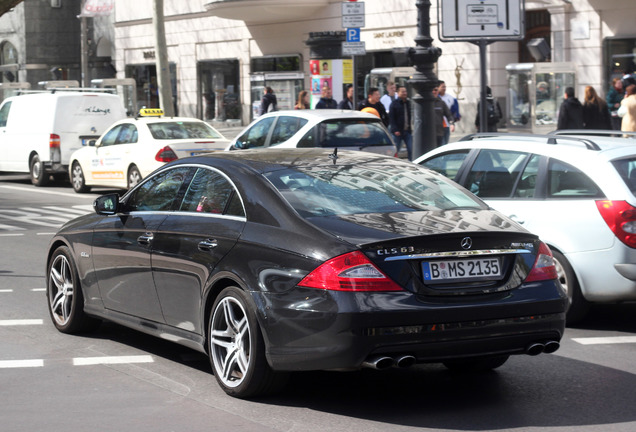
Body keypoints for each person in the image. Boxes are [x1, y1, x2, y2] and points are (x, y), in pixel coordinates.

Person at [389, 85, 413, 160]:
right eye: (402, 92)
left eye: (405, 91)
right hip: (398, 132)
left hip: (407, 131)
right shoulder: (394, 104)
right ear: (398, 93)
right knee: (396, 150)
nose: (405, 93)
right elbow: (391, 118)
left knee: (411, 149)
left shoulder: (408, 103)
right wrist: (395, 129)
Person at [438, 80, 461, 144]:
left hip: (446, 126)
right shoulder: (434, 99)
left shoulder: (450, 98)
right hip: (437, 127)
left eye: (445, 87)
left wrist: (452, 122)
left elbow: (450, 113)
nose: (444, 88)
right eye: (442, 87)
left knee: (445, 143)